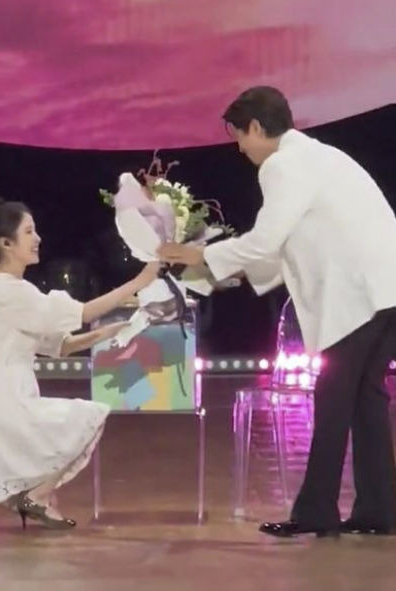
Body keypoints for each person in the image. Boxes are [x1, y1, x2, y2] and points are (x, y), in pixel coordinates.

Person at [158, 86, 396, 537]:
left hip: (357, 296)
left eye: (239, 136)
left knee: (335, 398)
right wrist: (222, 271)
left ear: (255, 127)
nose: (240, 148)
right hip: (386, 289)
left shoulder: (282, 165)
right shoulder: (319, 156)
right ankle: (378, 512)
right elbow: (283, 246)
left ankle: (316, 513)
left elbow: (266, 240)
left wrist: (199, 256)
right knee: (367, 398)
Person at [0, 195, 160, 530]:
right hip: (5, 400)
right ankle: (38, 497)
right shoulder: (10, 292)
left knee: (9, 491)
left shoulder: (11, 291)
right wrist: (140, 280)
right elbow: (83, 312)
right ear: (6, 243)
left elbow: (60, 346)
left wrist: (108, 331)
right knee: (88, 418)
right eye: (29, 232)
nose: (38, 239)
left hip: (4, 395)